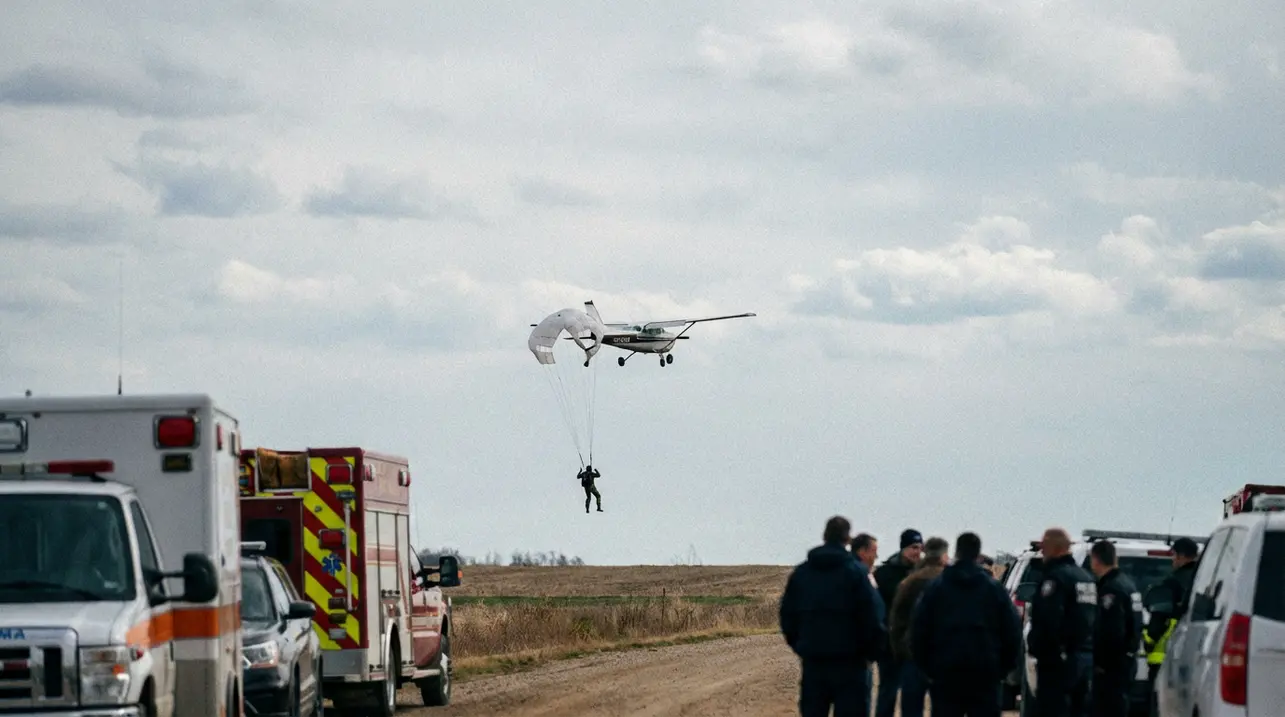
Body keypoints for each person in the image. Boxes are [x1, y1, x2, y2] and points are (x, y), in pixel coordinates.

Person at [780, 515, 887, 717]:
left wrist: (801, 646)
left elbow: (787, 616)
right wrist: (870, 653)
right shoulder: (856, 573)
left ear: (824, 536)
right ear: (847, 539)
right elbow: (874, 615)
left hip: (814, 662)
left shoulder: (802, 574)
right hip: (852, 665)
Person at [909, 531, 1020, 717]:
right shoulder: (994, 590)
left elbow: (918, 631)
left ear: (956, 552)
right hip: (985, 673)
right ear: (978, 554)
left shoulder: (936, 588)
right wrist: (1002, 669)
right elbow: (1012, 631)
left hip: (946, 673)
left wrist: (929, 669)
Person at [1026, 527, 1095, 717]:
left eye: (1044, 546)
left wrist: (1039, 647)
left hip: (1057, 663)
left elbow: (1048, 619)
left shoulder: (1056, 578)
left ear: (1056, 548)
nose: (1042, 551)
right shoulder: (1086, 578)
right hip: (1085, 659)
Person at [888, 536, 950, 717]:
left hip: (912, 655)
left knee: (912, 708)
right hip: (943, 656)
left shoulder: (909, 582)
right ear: (944, 555)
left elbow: (896, 620)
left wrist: (899, 651)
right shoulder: (950, 581)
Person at [1142, 537, 1200, 716]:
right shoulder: (1204, 578)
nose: (1173, 560)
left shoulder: (1172, 583)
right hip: (1195, 658)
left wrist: (1148, 642)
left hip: (1165, 658)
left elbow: (1159, 618)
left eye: (1174, 555)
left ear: (1182, 556)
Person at [873, 528, 924, 717]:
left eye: (920, 547)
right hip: (890, 645)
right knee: (888, 691)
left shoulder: (923, 575)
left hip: (914, 645)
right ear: (903, 548)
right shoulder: (885, 574)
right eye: (913, 547)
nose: (917, 552)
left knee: (913, 695)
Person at [1089, 540, 1142, 717]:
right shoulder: (1128, 584)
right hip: (1127, 661)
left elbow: (1111, 631)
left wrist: (1101, 663)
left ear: (1096, 560)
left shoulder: (1111, 589)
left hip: (1111, 668)